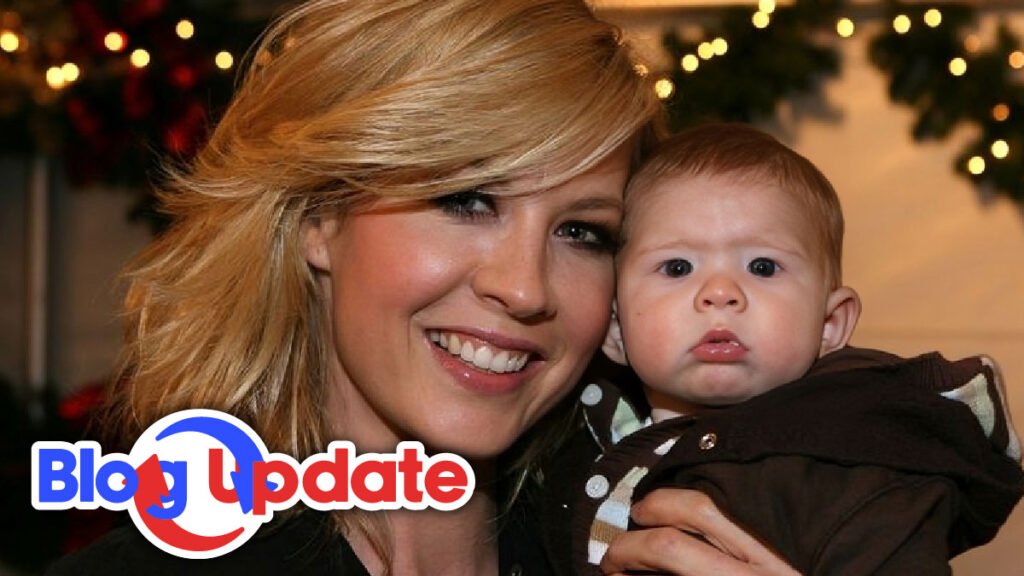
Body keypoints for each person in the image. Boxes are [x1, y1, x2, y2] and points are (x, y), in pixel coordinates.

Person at [44, 3, 805, 576]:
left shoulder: (679, 535)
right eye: (465, 200)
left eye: (582, 232)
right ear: (319, 217)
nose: (524, 288)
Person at [559, 123, 1024, 575]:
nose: (720, 292)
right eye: (677, 267)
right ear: (615, 328)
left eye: (762, 266)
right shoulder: (574, 442)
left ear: (829, 324)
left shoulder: (852, 466)